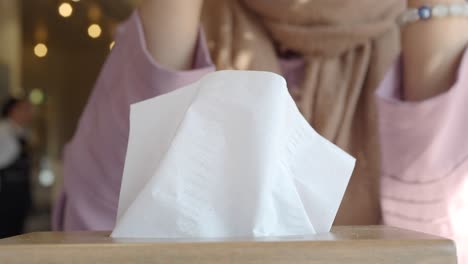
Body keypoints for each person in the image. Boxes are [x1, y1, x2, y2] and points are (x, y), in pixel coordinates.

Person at [53, 0, 468, 261]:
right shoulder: (183, 25)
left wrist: (435, 16)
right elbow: (97, 236)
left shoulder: (424, 33)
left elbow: (442, 241)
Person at [0, 97, 33, 238]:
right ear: (13, 110)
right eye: (25, 109)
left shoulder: (23, 131)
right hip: (5, 188)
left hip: (20, 187)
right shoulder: (3, 130)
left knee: (16, 229)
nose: (29, 113)